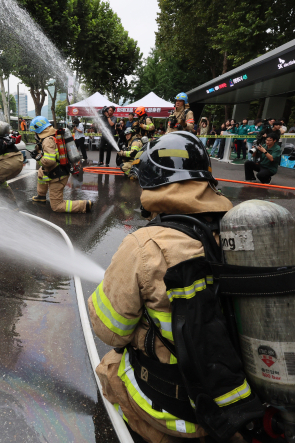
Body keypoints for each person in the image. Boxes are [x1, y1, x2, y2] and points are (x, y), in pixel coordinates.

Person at [89, 132, 261, 443]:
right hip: (243, 390)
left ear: (151, 182)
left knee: (109, 366)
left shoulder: (144, 245)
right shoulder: (240, 231)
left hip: (178, 407)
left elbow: (110, 331)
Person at [30, 116, 92, 213]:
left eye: (35, 132)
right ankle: (41, 196)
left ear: (39, 131)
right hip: (60, 170)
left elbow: (49, 161)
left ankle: (84, 205)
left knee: (57, 206)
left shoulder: (47, 141)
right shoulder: (54, 134)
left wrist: (38, 158)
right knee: (41, 172)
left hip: (58, 175)